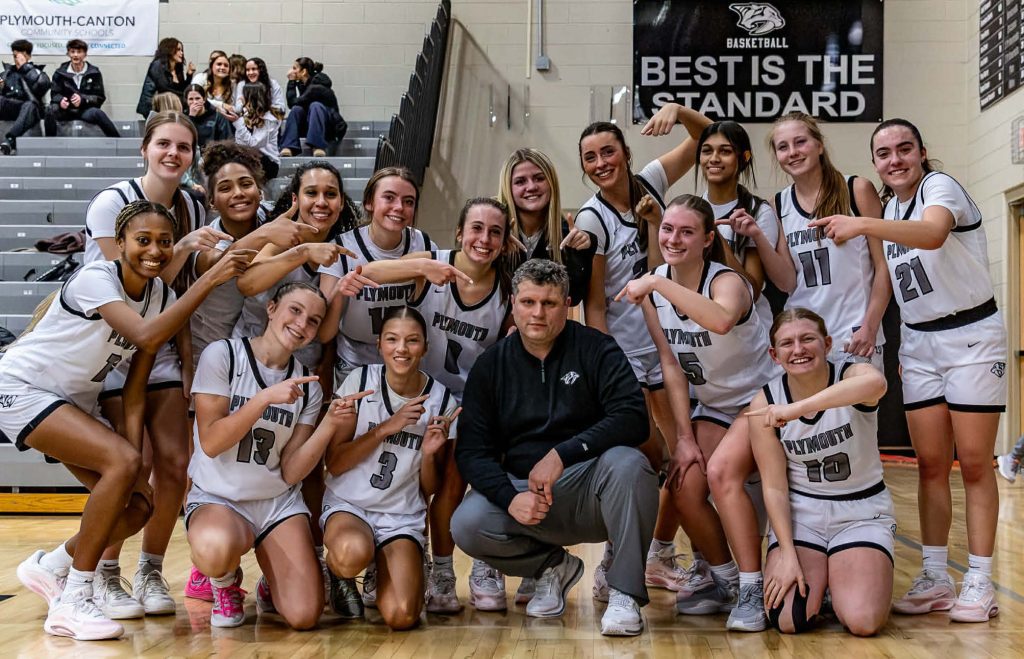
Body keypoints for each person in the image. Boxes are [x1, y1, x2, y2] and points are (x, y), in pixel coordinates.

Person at [10, 200, 249, 640]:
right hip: (23, 389)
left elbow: (136, 385)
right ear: (119, 244)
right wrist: (212, 277)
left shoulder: (159, 295)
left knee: (139, 506)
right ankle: (74, 598)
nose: (154, 250)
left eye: (164, 241)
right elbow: (144, 335)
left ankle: (53, 566)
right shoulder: (95, 279)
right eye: (142, 240)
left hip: (73, 402)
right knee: (121, 465)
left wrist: (136, 455)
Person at [810, 118, 1007, 623]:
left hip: (971, 337)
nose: (894, 159)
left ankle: (980, 579)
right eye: (883, 153)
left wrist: (861, 224)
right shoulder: (891, 205)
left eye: (903, 149)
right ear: (874, 161)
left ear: (922, 152)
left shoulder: (938, 189)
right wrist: (879, 329)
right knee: (931, 465)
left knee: (977, 464)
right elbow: (892, 279)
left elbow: (934, 234)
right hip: (920, 342)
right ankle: (936, 575)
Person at [451, 259, 658, 637]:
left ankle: (625, 593)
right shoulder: (490, 365)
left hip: (589, 489)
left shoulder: (597, 349)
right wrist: (507, 497)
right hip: (523, 493)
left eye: (549, 303)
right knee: (466, 524)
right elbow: (471, 452)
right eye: (529, 302)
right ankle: (551, 567)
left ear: (567, 305)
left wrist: (562, 454)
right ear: (512, 303)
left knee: (630, 464)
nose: (538, 313)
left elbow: (633, 418)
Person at [82, 113, 234, 620]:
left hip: (162, 342)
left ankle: (150, 567)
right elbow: (138, 280)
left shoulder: (191, 203)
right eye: (164, 144)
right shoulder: (111, 202)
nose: (173, 153)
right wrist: (185, 247)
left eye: (184, 146)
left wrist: (189, 361)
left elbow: (176, 298)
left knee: (174, 464)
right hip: (114, 344)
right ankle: (104, 573)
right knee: (133, 463)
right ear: (145, 148)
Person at [616, 194, 777, 631]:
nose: (673, 238)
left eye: (686, 232)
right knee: (683, 480)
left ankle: (751, 588)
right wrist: (683, 437)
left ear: (708, 240)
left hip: (763, 398)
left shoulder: (727, 281)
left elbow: (721, 321)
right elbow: (670, 364)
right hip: (716, 404)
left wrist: (656, 283)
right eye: (667, 229)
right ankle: (724, 579)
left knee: (722, 472)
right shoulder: (656, 287)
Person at [574, 103, 708, 600]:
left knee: (681, 457)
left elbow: (703, 138)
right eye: (590, 157)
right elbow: (594, 304)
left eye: (609, 151)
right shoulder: (593, 217)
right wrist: (607, 367)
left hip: (669, 340)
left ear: (628, 154)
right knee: (639, 458)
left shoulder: (651, 180)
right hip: (627, 351)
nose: (601, 162)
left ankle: (658, 553)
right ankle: (619, 557)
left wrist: (678, 110)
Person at [353, 198, 513, 614]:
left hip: (464, 403)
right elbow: (364, 272)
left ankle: (453, 569)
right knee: (408, 483)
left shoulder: (507, 289)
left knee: (455, 483)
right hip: (413, 392)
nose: (484, 239)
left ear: (504, 241)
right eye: (476, 228)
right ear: (459, 233)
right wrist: (418, 267)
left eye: (495, 232)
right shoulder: (433, 263)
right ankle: (402, 558)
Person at [187, 283, 340, 629]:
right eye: (295, 310)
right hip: (220, 498)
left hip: (275, 504)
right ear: (271, 309)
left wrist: (328, 424)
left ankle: (272, 579)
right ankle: (223, 581)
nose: (302, 324)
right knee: (215, 548)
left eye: (313, 320)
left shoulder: (309, 386)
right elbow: (211, 442)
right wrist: (262, 400)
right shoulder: (222, 355)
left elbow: (289, 472)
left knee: (304, 616)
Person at [748, 308, 894, 636]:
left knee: (862, 621)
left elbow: (878, 382)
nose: (798, 349)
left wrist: (798, 409)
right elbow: (773, 487)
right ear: (774, 354)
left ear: (827, 344)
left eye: (807, 339)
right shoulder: (765, 402)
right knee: (788, 619)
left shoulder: (851, 374)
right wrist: (786, 553)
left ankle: (844, 583)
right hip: (805, 515)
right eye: (787, 343)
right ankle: (824, 583)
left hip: (861, 511)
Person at [322, 306, 459, 629]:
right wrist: (387, 427)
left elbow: (430, 489)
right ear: (380, 344)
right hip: (350, 506)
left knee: (402, 616)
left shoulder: (440, 401)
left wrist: (427, 454)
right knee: (350, 552)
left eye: (412, 341)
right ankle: (341, 570)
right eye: (392, 339)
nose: (401, 349)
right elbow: (335, 463)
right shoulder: (360, 382)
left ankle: (386, 565)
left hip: (400, 516)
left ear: (425, 347)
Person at [769, 112, 887, 366]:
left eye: (800, 142)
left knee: (854, 406)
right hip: (804, 338)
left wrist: (871, 326)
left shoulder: (856, 189)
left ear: (819, 145)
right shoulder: (778, 204)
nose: (793, 152)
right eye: (783, 147)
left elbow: (883, 267)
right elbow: (787, 281)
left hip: (853, 334)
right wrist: (757, 236)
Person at [695, 120, 795, 327]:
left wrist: (715, 237)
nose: (713, 159)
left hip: (749, 331)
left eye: (725, 151)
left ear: (744, 158)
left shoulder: (758, 212)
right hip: (704, 325)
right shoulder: (691, 211)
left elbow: (753, 289)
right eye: (707, 151)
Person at [497, 148, 594, 306]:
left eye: (539, 178)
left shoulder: (567, 236)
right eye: (520, 181)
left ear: (551, 183)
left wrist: (580, 255)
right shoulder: (494, 234)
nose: (531, 187)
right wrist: (496, 255)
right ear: (508, 188)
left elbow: (573, 298)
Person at [44, 39, 120, 138]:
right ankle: (50, 144)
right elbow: (54, 95)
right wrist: (60, 101)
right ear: (68, 54)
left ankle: (117, 141)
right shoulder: (59, 73)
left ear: (85, 54)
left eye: (79, 52)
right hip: (66, 111)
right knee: (49, 110)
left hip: (85, 110)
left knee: (99, 113)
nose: (75, 55)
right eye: (72, 52)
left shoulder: (94, 73)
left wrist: (83, 100)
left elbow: (99, 97)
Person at [280, 58, 347, 158]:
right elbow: (293, 105)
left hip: (329, 127)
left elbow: (293, 102)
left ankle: (318, 146)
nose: (291, 71)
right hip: (312, 125)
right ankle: (289, 146)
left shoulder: (317, 87)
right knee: (296, 109)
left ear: (304, 71)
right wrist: (293, 83)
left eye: (295, 68)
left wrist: (291, 81)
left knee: (315, 105)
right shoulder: (303, 84)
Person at [0, 39, 50, 154]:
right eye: (15, 55)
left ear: (28, 56)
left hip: (29, 109)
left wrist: (25, 68)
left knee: (30, 105)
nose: (17, 58)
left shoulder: (37, 72)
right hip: (10, 106)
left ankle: (9, 141)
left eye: (21, 54)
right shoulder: (6, 73)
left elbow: (42, 86)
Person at [233, 82, 283, 180]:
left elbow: (254, 144)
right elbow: (239, 143)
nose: (240, 98)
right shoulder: (245, 116)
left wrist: (238, 123)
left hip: (267, 163)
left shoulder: (269, 119)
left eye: (243, 95)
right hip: (248, 159)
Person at [137, 38, 195, 117]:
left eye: (182, 50)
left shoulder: (177, 69)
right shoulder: (157, 66)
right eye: (178, 50)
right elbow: (148, 95)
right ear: (169, 50)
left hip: (177, 112)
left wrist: (189, 75)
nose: (181, 53)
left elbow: (182, 91)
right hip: (162, 112)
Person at [190, 50, 236, 115]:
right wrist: (221, 105)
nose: (222, 67)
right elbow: (194, 99)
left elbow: (234, 108)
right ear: (211, 67)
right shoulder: (200, 77)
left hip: (223, 120)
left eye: (226, 65)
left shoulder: (232, 85)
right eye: (219, 64)